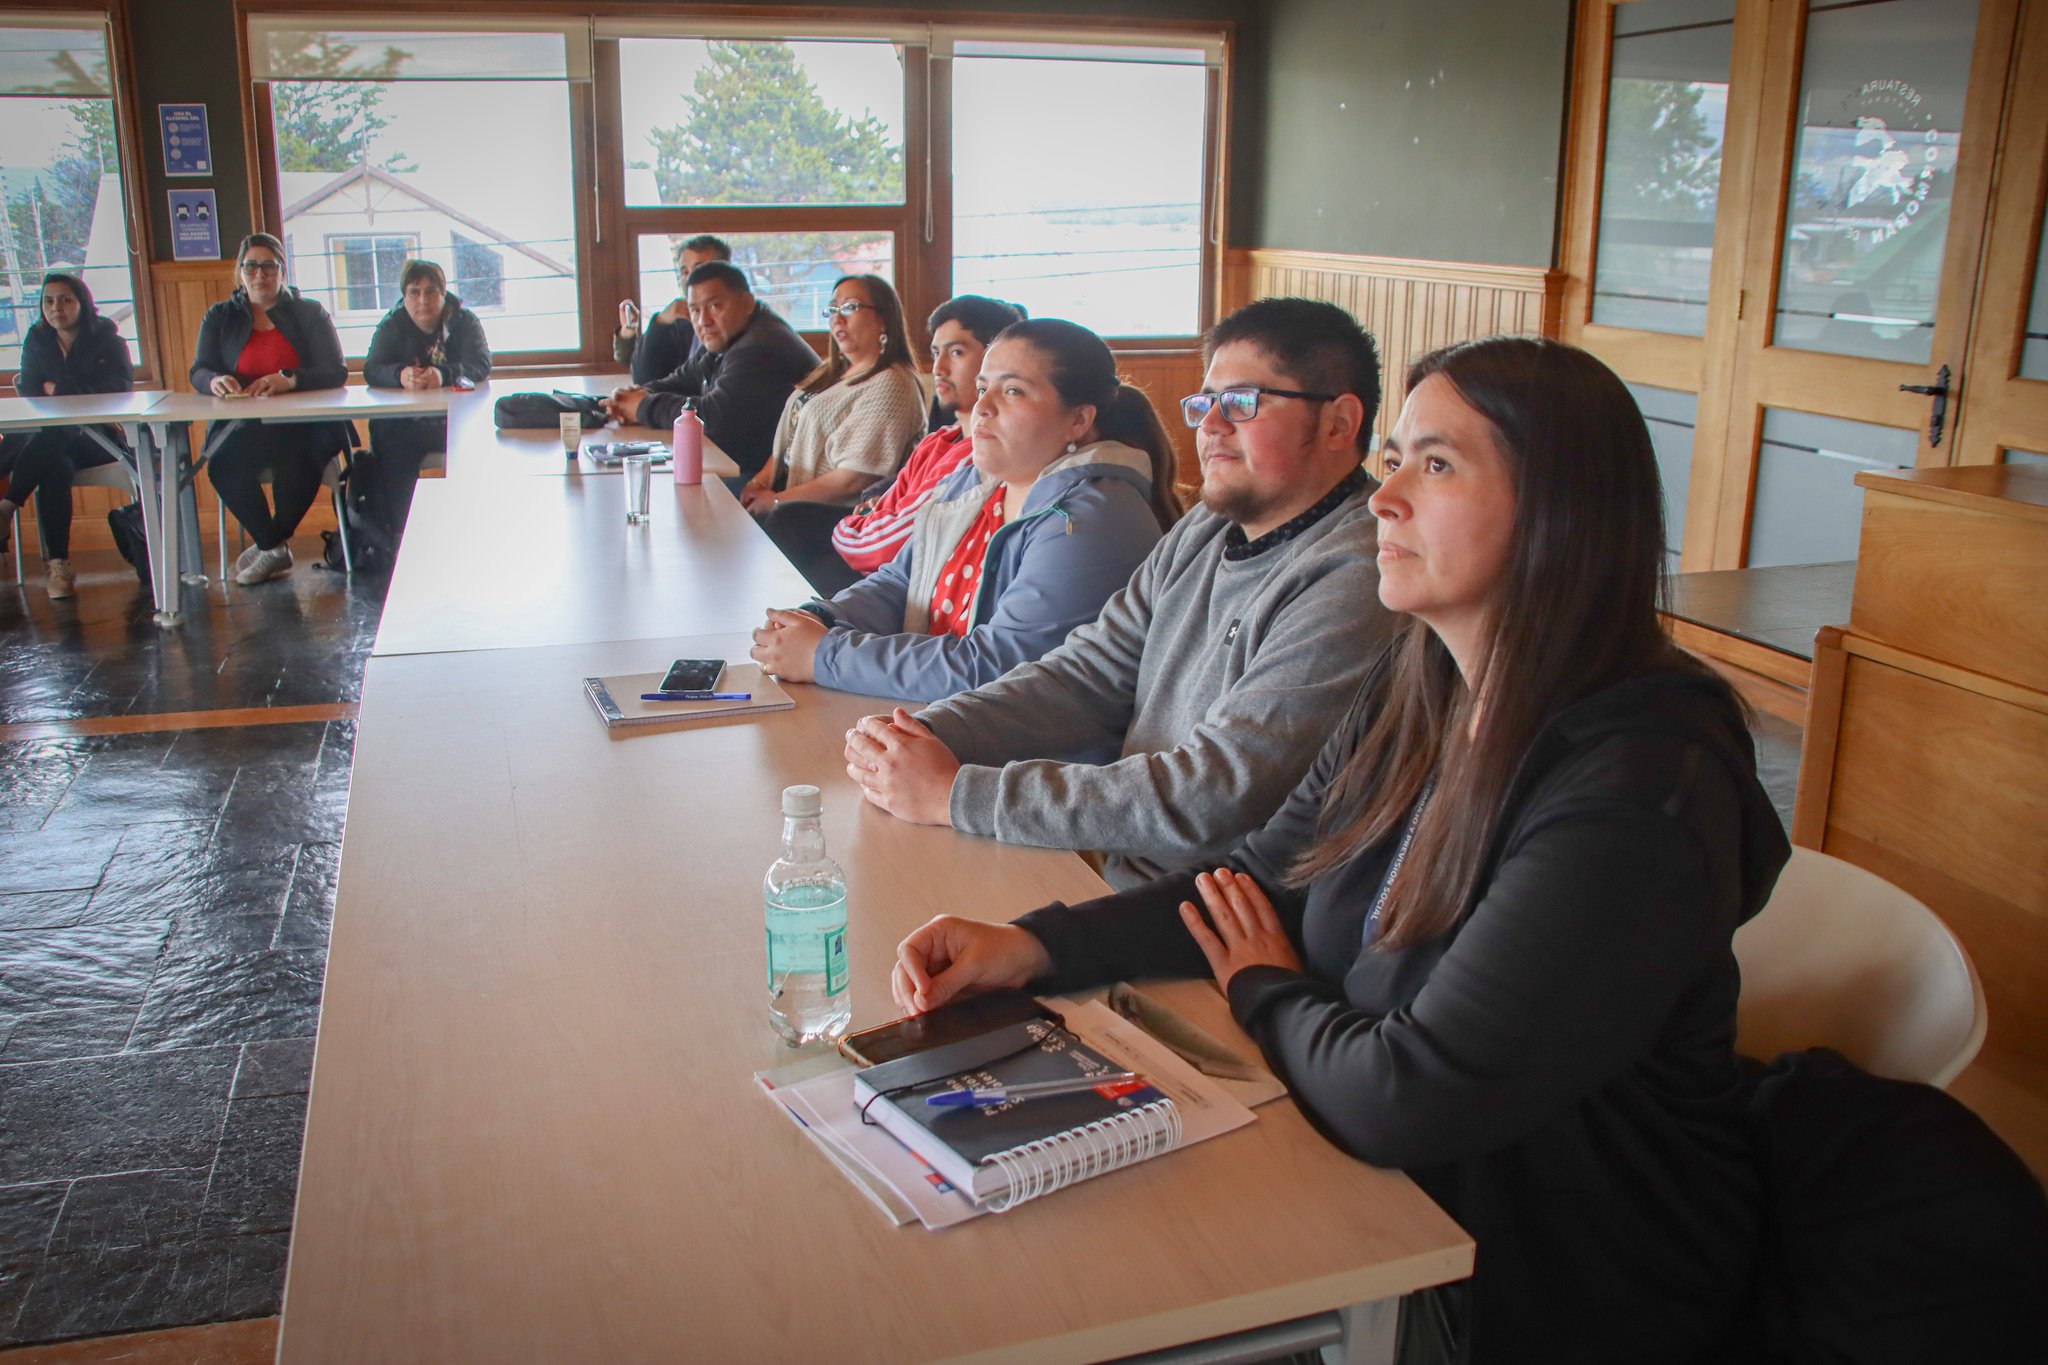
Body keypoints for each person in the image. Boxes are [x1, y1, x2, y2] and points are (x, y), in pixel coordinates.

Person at [889, 336, 1793, 1364]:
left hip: (1536, 1281)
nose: (1384, 497)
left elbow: (1405, 1097)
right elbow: (1255, 884)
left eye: (1436, 465)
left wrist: (1266, 987)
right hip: (1380, 1187)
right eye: (1396, 457)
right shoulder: (1427, 682)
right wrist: (1036, 946)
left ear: (1559, 514)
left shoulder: (1637, 790)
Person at [843, 296, 1392, 888]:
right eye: (1205, 402)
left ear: (1339, 422)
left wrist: (955, 795)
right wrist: (929, 732)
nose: (1209, 425)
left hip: (1206, 920)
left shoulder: (1357, 574)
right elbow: (1088, 673)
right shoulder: (1209, 526)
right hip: (1119, 869)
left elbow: (1215, 790)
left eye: (1241, 403)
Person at [749, 318, 1181, 703]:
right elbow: (901, 583)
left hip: (1025, 767)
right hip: (937, 716)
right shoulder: (975, 479)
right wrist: (820, 618)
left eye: (1012, 391)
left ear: (1079, 420)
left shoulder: (1091, 517)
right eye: (982, 388)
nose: (983, 408)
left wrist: (825, 654)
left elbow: (996, 668)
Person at [812, 295, 1028, 596]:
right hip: (878, 566)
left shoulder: (979, 457)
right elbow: (890, 501)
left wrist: (847, 525)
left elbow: (883, 548)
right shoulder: (939, 440)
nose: (939, 367)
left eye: (956, 352)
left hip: (904, 585)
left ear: (996, 361)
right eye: (935, 353)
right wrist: (868, 519)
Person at [191, 233, 349, 586]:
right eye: (251, 266)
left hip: (307, 425)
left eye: (268, 266)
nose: (259, 274)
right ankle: (272, 545)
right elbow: (198, 370)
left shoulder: (309, 312)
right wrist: (215, 380)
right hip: (246, 424)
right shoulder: (220, 316)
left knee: (299, 460)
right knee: (222, 465)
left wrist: (289, 379)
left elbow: (336, 371)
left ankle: (270, 546)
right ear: (240, 271)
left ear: (282, 270)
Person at [602, 262, 817, 488]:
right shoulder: (727, 336)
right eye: (695, 310)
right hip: (746, 463)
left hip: (781, 483)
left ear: (747, 304)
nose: (703, 320)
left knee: (673, 493)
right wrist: (633, 398)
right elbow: (681, 381)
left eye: (715, 306)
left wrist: (643, 406)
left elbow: (713, 418)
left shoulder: (760, 345)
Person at [740, 274, 926, 517]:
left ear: (884, 319)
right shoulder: (829, 373)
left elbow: (853, 480)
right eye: (832, 310)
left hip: (826, 518)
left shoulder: (891, 384)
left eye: (850, 307)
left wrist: (776, 501)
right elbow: (788, 446)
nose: (837, 319)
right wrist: (757, 485)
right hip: (786, 499)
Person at [0, 273, 133, 600]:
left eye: (65, 299)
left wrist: (57, 388)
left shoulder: (109, 341)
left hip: (98, 440)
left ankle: (6, 507)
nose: (55, 307)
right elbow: (30, 389)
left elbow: (117, 390)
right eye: (48, 300)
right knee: (55, 463)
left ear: (82, 303)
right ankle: (59, 564)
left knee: (49, 439)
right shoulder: (37, 339)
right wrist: (70, 390)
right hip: (53, 443)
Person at [361, 259, 492, 539]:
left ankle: (471, 531)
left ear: (444, 294)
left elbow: (480, 364)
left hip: (456, 421)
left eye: (431, 291)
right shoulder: (392, 323)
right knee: (391, 450)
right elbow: (372, 368)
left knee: (479, 449)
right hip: (404, 425)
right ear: (404, 296)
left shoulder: (463, 321)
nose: (423, 300)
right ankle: (402, 536)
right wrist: (400, 375)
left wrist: (442, 375)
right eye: (414, 292)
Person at [613, 234, 728, 384]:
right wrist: (661, 322)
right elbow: (644, 378)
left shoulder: (740, 319)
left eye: (699, 269)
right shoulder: (678, 322)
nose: (690, 279)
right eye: (685, 272)